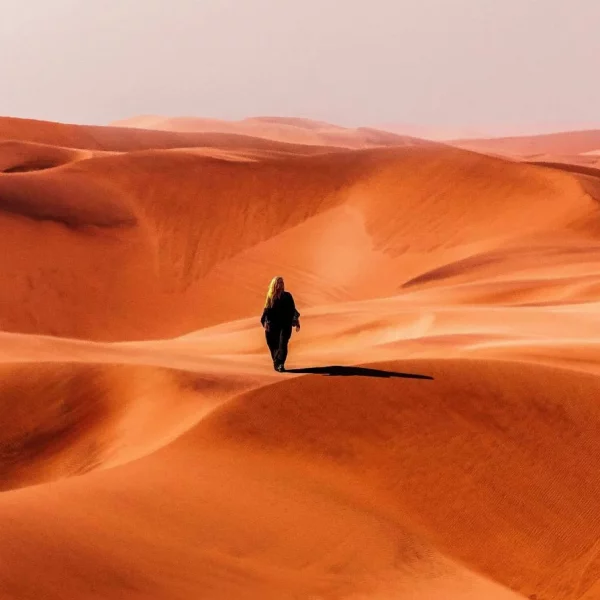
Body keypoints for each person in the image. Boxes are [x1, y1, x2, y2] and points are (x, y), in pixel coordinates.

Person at [260, 276, 300, 372]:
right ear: (274, 285)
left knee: (282, 344)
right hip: (273, 326)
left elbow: (292, 309)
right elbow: (266, 311)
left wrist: (296, 320)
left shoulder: (287, 296)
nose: (281, 284)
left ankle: (280, 364)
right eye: (279, 282)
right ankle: (277, 363)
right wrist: (265, 322)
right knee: (273, 346)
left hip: (285, 325)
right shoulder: (270, 298)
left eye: (282, 282)